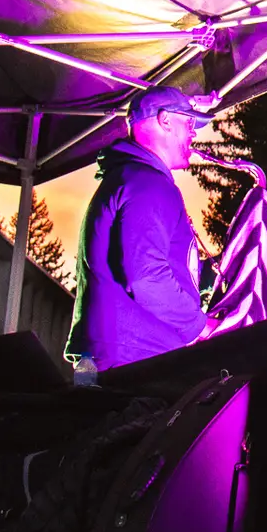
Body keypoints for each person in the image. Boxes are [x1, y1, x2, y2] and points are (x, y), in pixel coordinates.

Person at [69, 88, 219, 369]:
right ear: (165, 121)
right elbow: (145, 277)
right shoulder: (150, 184)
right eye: (188, 124)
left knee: (90, 409)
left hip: (108, 353)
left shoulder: (128, 178)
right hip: (136, 357)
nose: (193, 135)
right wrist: (199, 326)